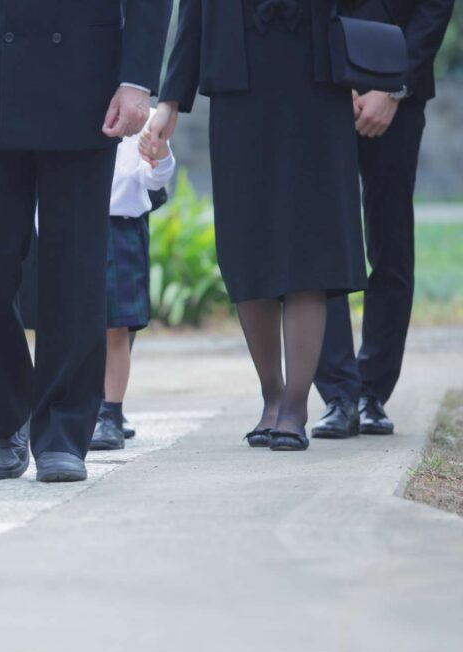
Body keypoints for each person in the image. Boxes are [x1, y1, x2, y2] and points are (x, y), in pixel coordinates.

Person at [0, 0, 172, 482]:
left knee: (75, 267)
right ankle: (8, 413)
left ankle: (63, 430)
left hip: (86, 76)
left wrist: (137, 80)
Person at [144, 0, 368, 452]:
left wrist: (374, 76)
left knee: (310, 244)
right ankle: (272, 395)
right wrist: (169, 101)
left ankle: (295, 407)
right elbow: (194, 13)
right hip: (239, 86)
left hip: (318, 81)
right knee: (248, 243)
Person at [312, 0, 455, 440]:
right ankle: (339, 392)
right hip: (319, 86)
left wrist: (393, 87)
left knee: (390, 244)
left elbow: (435, 7)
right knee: (322, 244)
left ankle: (372, 391)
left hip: (399, 96)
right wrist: (337, 81)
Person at [91, 123, 175, 451]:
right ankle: (87, 404)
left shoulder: (144, 115)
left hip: (121, 223)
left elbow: (157, 178)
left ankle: (110, 412)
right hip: (70, 223)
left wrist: (160, 152)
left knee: (117, 326)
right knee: (72, 325)